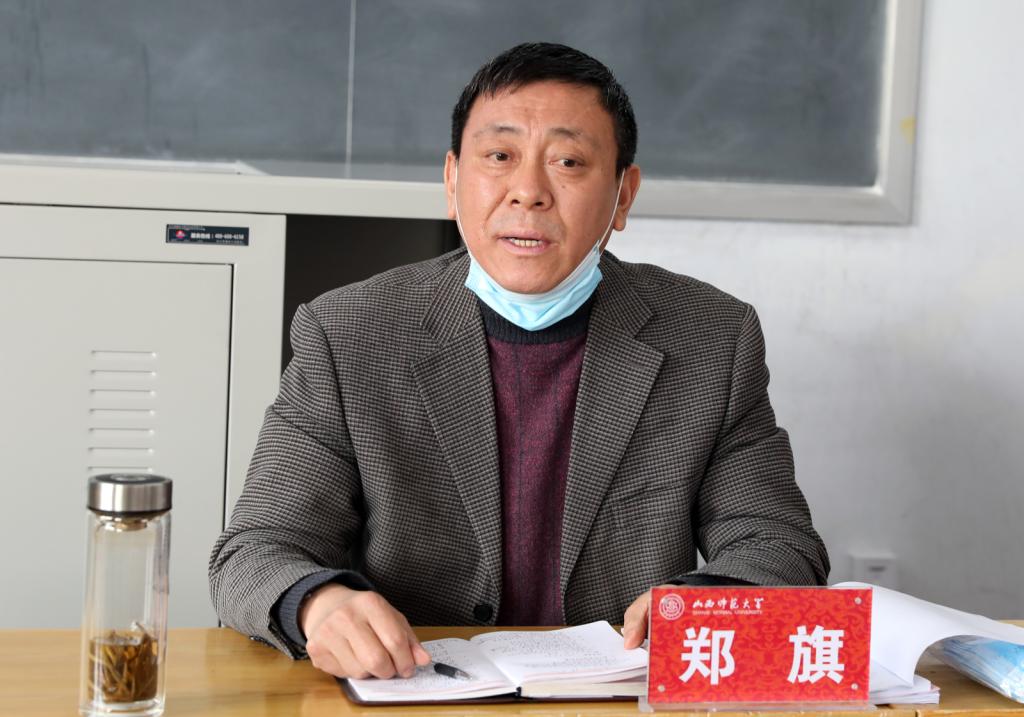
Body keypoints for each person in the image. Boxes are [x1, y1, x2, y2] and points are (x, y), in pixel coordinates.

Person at [209, 42, 829, 681]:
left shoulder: (711, 337)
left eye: (569, 162)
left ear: (622, 196)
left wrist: (706, 603)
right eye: (500, 157)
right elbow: (254, 552)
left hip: (615, 696)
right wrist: (319, 604)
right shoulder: (350, 333)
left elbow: (778, 543)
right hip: (416, 689)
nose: (528, 193)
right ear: (453, 180)